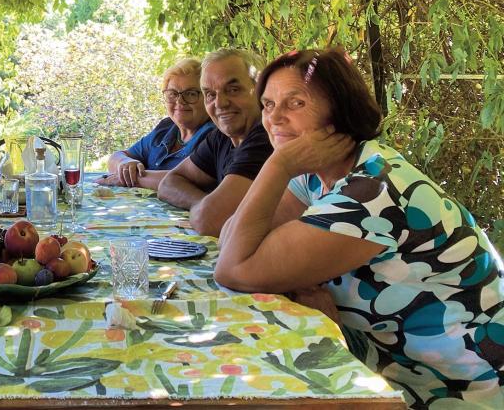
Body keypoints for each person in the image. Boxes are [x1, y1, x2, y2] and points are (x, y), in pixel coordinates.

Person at [215, 48, 504, 409]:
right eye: (269, 105)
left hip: (462, 389)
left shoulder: (371, 189)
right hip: (391, 369)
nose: (275, 118)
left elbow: (232, 269)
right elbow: (231, 237)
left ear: (339, 108)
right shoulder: (320, 177)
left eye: (296, 103)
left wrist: (277, 165)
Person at [156, 49, 274, 236]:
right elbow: (168, 183)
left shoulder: (267, 137)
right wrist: (205, 203)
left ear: (261, 90)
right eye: (210, 94)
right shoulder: (222, 136)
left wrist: (208, 209)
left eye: (233, 90)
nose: (220, 103)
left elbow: (208, 220)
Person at [97, 57, 214, 190]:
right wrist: (125, 163)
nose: (180, 101)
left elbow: (187, 180)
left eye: (191, 94)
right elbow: (118, 156)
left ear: (208, 97)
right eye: (172, 94)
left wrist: (134, 178)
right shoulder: (167, 128)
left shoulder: (214, 135)